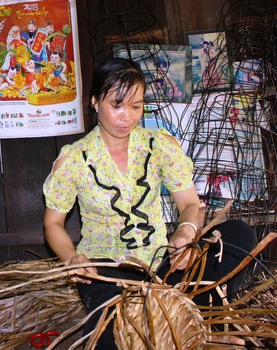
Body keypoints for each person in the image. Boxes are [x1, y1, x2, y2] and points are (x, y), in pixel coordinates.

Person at [43, 58, 256, 349]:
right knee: (113, 329)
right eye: (117, 105)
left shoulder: (159, 145)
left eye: (136, 106)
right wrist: (72, 258)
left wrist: (185, 233)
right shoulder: (74, 159)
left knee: (237, 235)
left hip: (161, 262)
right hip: (107, 268)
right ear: (95, 101)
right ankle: (167, 309)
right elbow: (53, 223)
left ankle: (204, 315)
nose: (127, 117)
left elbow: (190, 204)